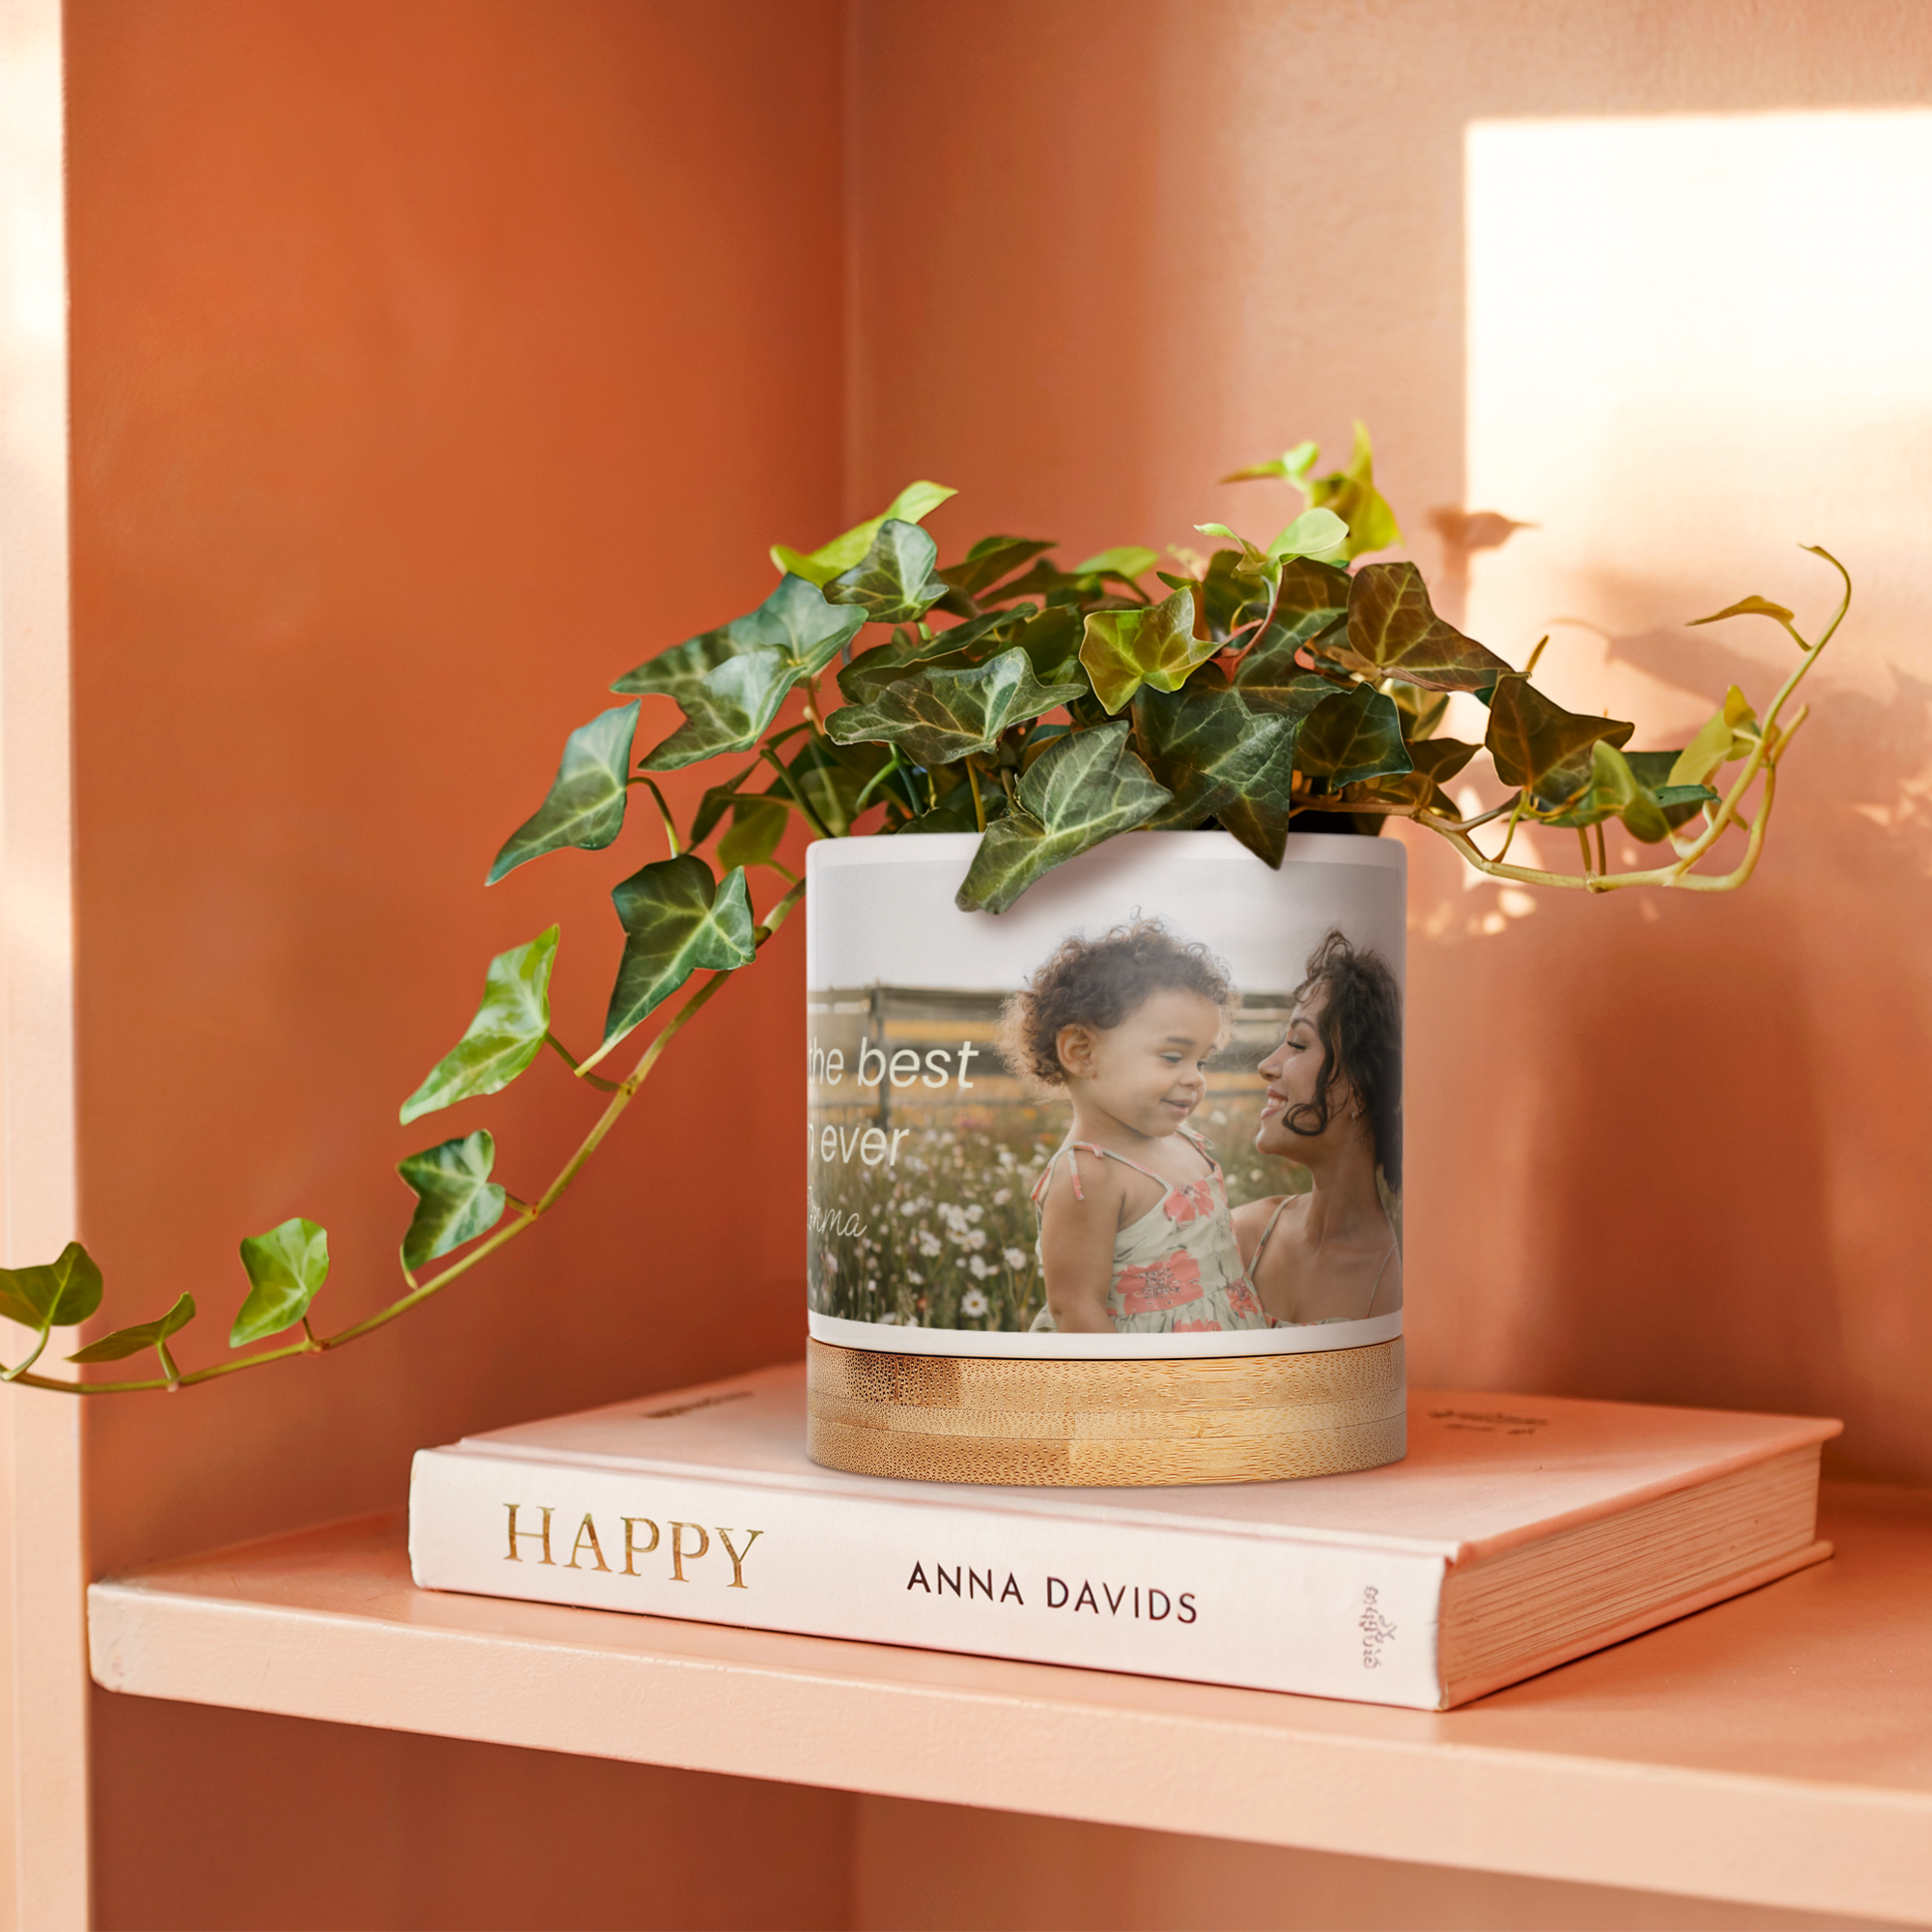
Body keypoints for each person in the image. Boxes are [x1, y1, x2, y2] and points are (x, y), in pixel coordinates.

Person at [1001, 921, 1266, 1335]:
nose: (1196, 1078)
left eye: (1202, 1061)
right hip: (1152, 1364)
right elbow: (1076, 1309)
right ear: (1081, 1052)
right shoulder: (1088, 1177)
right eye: (1173, 1057)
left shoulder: (1181, 1140)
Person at [1234, 929, 1403, 1325]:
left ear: (1360, 1088)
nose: (1266, 1065)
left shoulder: (1399, 1279)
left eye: (1298, 1043)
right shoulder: (1240, 1235)